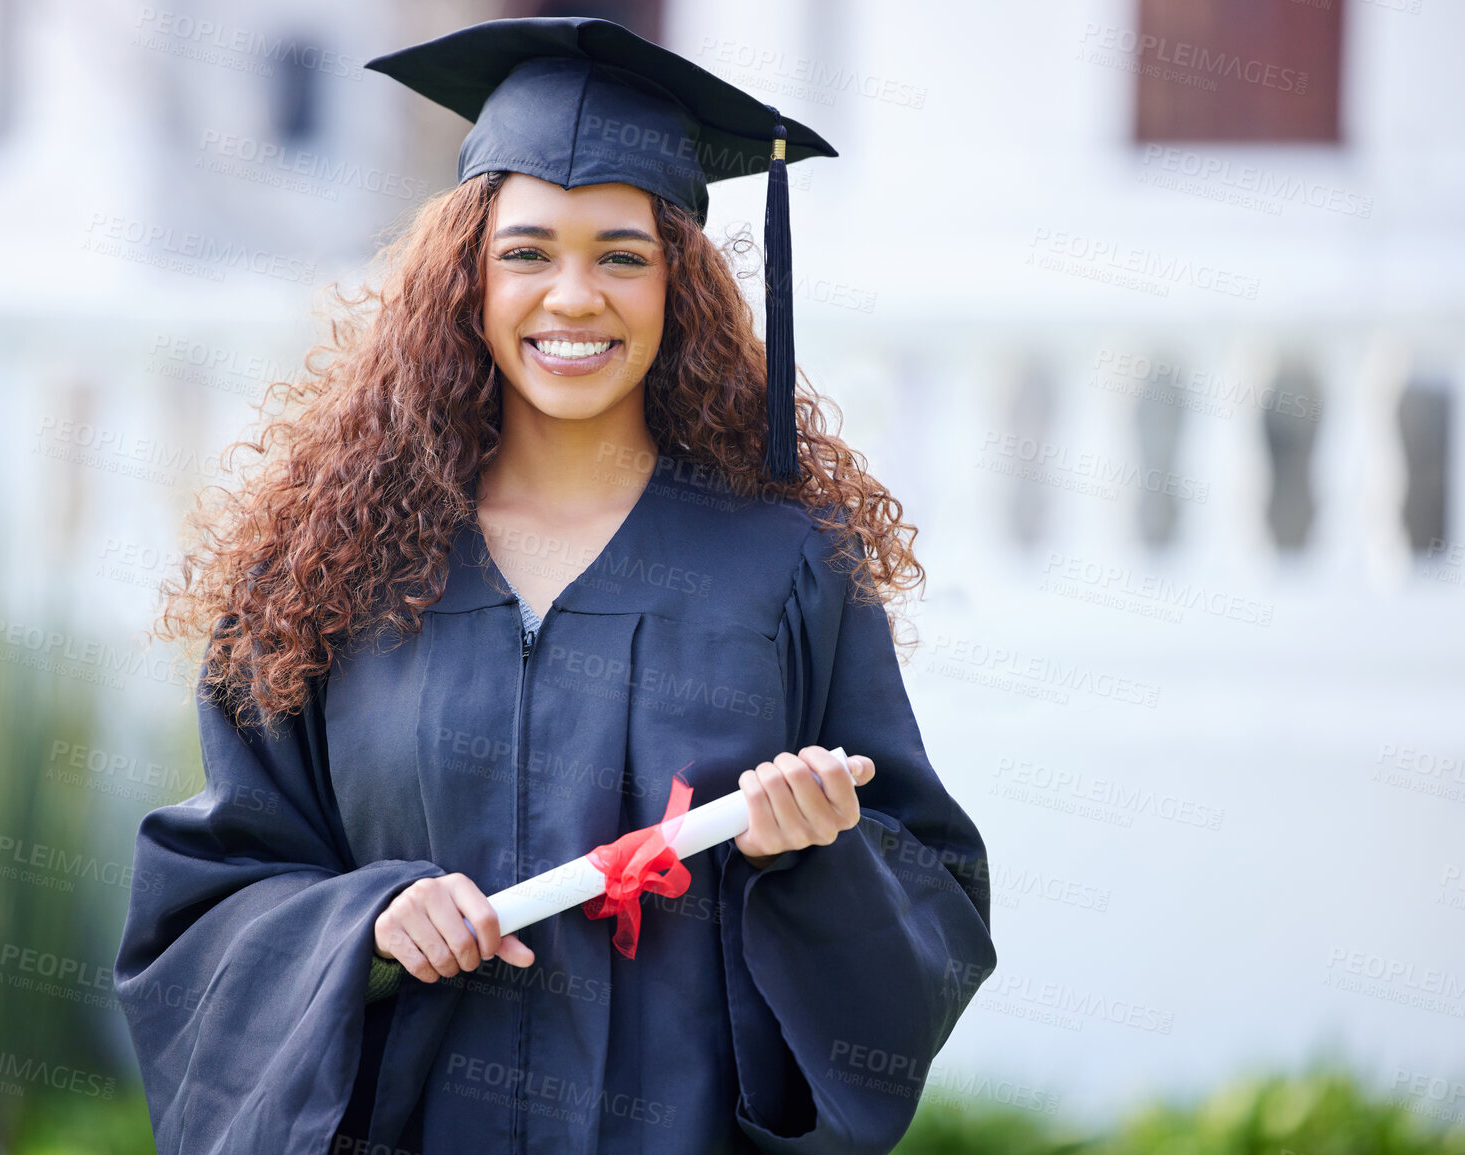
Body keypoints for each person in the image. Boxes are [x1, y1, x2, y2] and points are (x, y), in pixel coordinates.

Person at [114, 16, 996, 1154]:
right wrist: (363, 924)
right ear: (466, 281)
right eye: (527, 251)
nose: (573, 296)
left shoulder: (783, 570)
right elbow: (205, 909)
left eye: (621, 254)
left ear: (679, 284)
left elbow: (930, 901)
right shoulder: (333, 571)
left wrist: (812, 859)